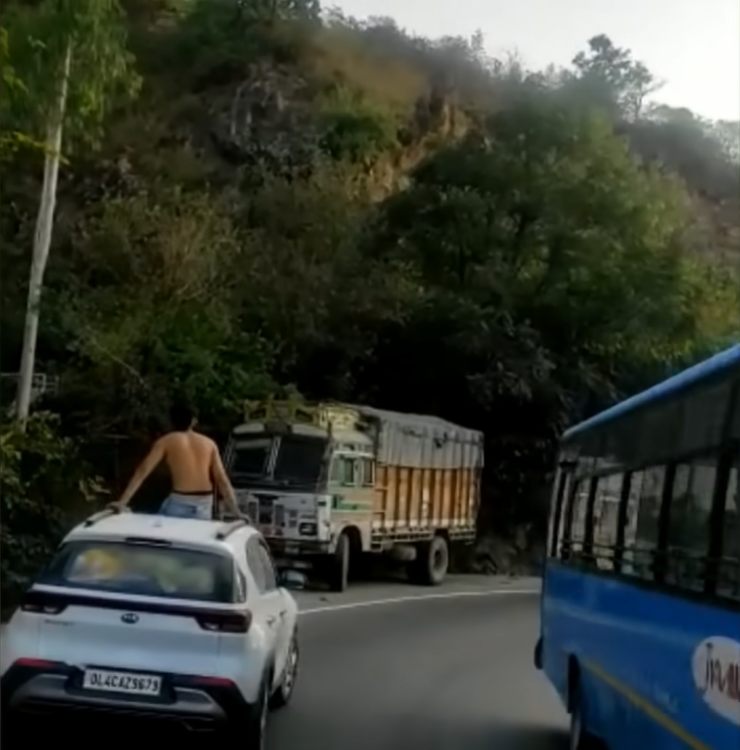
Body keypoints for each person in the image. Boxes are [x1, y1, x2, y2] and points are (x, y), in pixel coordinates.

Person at [112, 399, 241, 520]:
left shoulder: (166, 441)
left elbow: (143, 471)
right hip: (205, 503)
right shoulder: (209, 444)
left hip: (181, 499)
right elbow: (222, 480)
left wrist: (122, 502)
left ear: (171, 420)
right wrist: (236, 512)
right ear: (194, 421)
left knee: (159, 529)